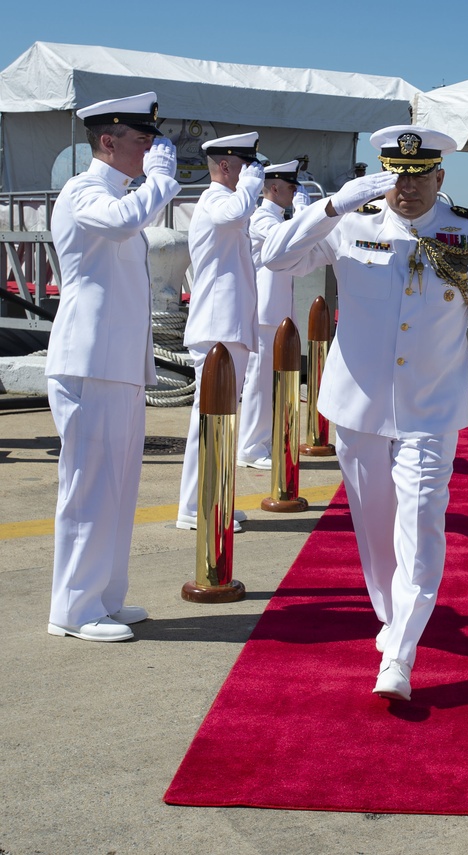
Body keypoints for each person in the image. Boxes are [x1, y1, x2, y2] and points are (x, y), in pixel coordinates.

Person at [260, 125, 468, 702]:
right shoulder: (349, 225)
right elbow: (274, 257)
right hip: (358, 409)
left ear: (440, 178)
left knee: (423, 523)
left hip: (432, 409)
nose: (408, 189)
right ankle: (391, 618)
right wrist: (332, 203)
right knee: (376, 534)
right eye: (397, 177)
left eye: (419, 176)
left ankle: (400, 656)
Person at [46, 92, 180, 642]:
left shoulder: (122, 193)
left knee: (119, 487)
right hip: (89, 360)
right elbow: (126, 222)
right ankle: (72, 610)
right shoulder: (85, 191)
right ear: (108, 141)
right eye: (140, 139)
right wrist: (162, 179)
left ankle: (104, 597)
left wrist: (151, 181)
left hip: (117, 363)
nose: (150, 148)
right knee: (89, 486)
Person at [176, 132, 265, 530]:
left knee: (222, 418)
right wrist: (250, 184)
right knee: (209, 418)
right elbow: (235, 212)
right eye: (250, 166)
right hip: (217, 328)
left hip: (229, 325)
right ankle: (195, 508)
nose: (256, 175)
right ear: (227, 167)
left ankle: (215, 500)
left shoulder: (229, 204)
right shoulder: (217, 202)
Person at [235, 161, 312, 470]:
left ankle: (261, 440)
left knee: (269, 383)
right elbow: (289, 239)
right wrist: (306, 215)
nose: (295, 192)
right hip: (264, 314)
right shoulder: (262, 219)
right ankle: (251, 446)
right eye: (291, 187)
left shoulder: (277, 218)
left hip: (276, 312)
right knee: (259, 383)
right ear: (275, 188)